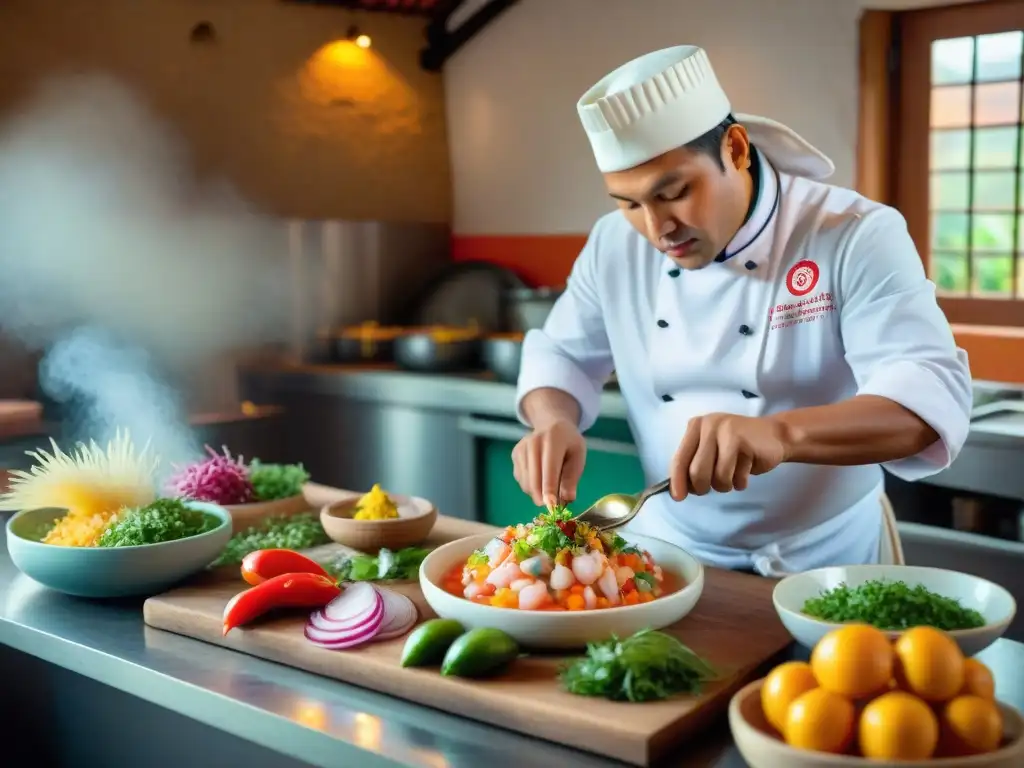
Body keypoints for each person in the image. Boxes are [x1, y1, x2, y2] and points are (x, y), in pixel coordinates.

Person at [511, 45, 972, 576]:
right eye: (630, 203)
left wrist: (781, 433)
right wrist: (553, 420)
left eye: (675, 192)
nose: (658, 230)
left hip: (825, 560)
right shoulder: (613, 244)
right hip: (668, 553)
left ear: (734, 148)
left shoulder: (853, 234)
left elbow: (924, 400)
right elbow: (563, 353)